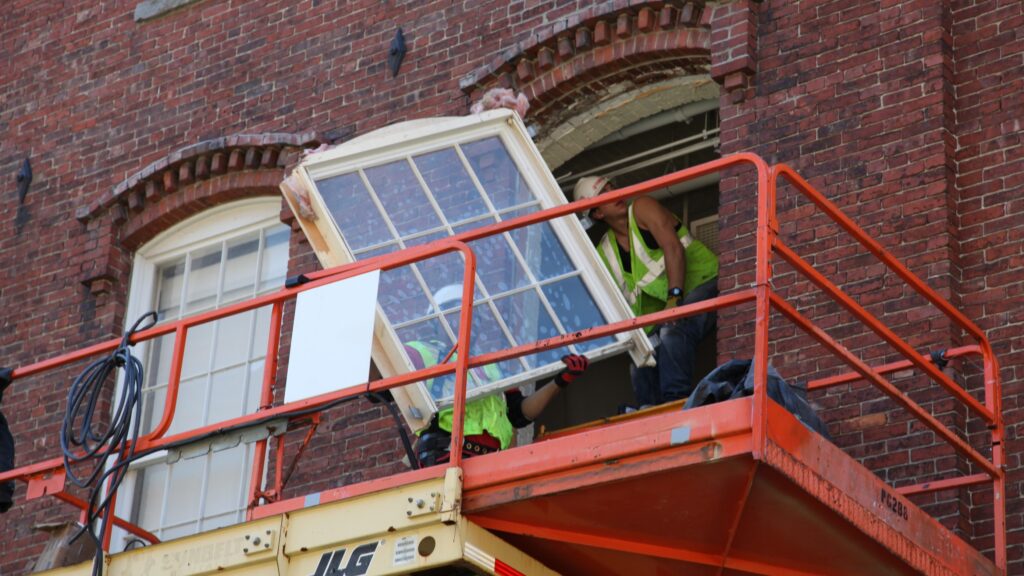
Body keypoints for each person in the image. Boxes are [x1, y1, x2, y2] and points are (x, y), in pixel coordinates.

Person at [573, 175, 719, 407]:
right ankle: (650, 410)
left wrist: (674, 297)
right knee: (643, 354)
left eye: (613, 186)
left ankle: (675, 402)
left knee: (672, 331)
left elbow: (673, 248)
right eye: (604, 193)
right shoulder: (605, 252)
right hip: (670, 307)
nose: (615, 192)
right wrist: (639, 342)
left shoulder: (642, 208)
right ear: (597, 213)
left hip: (706, 281)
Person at [406, 286, 589, 466]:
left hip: (492, 462)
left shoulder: (489, 367)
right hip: (446, 458)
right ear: (437, 319)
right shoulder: (423, 352)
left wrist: (560, 381)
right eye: (458, 311)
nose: (470, 319)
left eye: (474, 314)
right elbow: (386, 375)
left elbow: (518, 414)